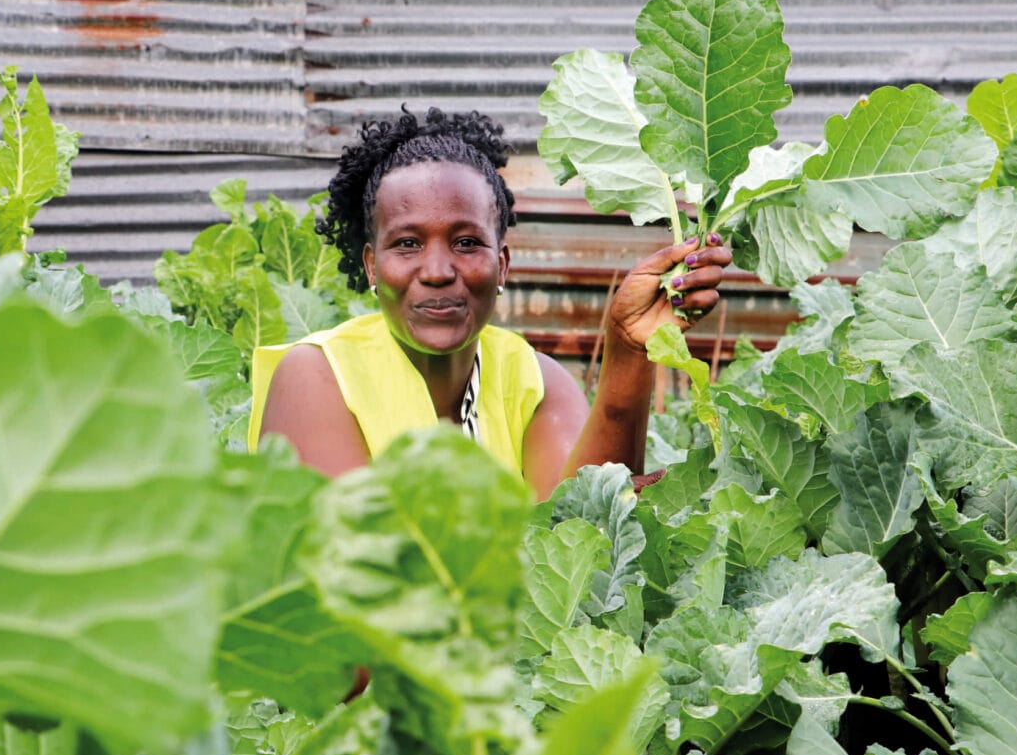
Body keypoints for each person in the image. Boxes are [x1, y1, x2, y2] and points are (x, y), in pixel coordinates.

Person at [246, 107, 729, 502]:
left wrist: (628, 349)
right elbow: (358, 575)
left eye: (466, 243)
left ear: (501, 265)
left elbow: (582, 544)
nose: (436, 270)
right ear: (372, 267)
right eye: (408, 244)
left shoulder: (537, 382)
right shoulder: (317, 375)